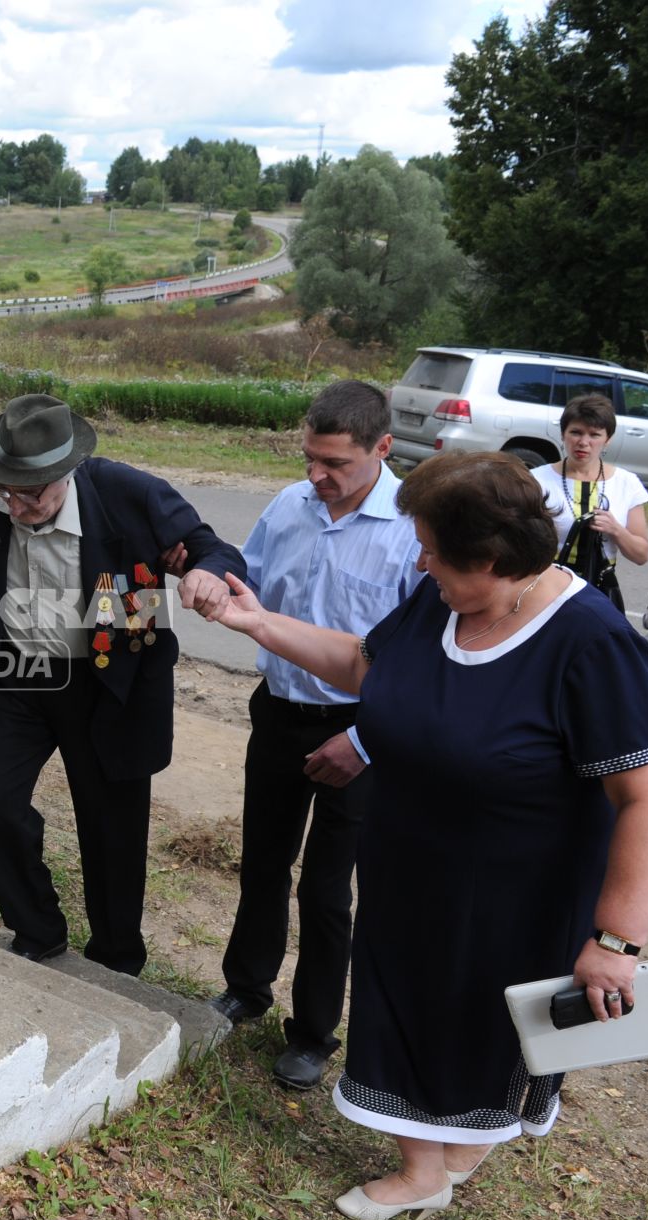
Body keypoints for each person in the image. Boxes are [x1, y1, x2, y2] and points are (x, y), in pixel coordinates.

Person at [202, 450, 648, 1220]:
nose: (418, 560)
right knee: (403, 1003)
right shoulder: (442, 602)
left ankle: (452, 1154)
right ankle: (424, 1167)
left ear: (491, 559)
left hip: (522, 893)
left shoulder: (588, 639)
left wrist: (617, 940)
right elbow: (365, 666)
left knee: (484, 1019)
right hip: (409, 863)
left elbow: (647, 793)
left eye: (432, 549)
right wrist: (259, 623)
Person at [0, 394, 244, 975]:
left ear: (65, 470)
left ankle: (116, 959)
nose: (16, 505)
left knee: (111, 828)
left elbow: (214, 548)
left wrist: (204, 575)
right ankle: (37, 929)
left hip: (110, 679)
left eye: (32, 493)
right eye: (7, 491)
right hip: (21, 671)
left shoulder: (127, 493)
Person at [204, 380, 421, 1092]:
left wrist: (365, 739)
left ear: (382, 450)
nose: (317, 476)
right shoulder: (288, 505)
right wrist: (214, 573)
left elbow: (421, 654)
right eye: (309, 458)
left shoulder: (413, 530)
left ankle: (313, 1033)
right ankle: (246, 989)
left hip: (363, 734)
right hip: (280, 712)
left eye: (336, 463)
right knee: (263, 862)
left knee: (328, 889)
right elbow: (248, 572)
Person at [531, 394, 648, 602]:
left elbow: (641, 555)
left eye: (594, 435)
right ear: (562, 434)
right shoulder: (536, 480)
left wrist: (616, 530)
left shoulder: (627, 483)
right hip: (544, 588)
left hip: (597, 592)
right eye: (575, 432)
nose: (583, 442)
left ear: (608, 440)